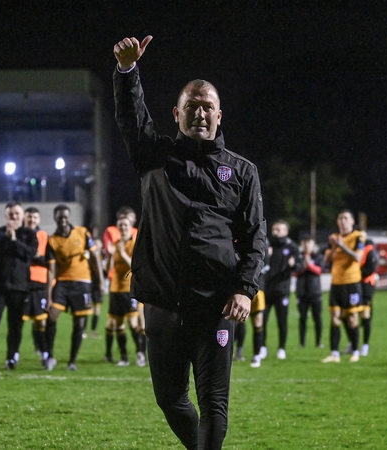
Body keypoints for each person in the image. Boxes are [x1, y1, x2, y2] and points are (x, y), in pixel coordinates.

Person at [114, 35, 266, 449]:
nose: (200, 113)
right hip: (162, 301)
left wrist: (245, 288)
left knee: (214, 403)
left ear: (219, 115)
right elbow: (131, 118)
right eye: (191, 106)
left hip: (217, 302)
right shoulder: (155, 157)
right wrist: (128, 72)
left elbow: (255, 237)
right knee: (170, 399)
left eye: (207, 107)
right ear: (177, 113)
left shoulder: (242, 172)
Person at [0, 202, 37, 371]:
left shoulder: (29, 234)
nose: (14, 217)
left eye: (17, 214)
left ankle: (11, 358)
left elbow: (29, 254)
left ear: (22, 215)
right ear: (6, 215)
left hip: (20, 286)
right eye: (11, 214)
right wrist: (0, 231)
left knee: (15, 325)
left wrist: (14, 239)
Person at [44, 204, 104, 371]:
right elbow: (51, 270)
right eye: (59, 217)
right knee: (52, 316)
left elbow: (95, 257)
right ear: (55, 218)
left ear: (68, 217)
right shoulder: (52, 240)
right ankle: (49, 356)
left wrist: (100, 282)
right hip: (62, 283)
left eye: (65, 217)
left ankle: (72, 361)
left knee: (79, 324)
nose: (63, 220)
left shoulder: (82, 233)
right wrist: (49, 295)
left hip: (82, 283)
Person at [321, 210, 365, 364]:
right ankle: (334, 353)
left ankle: (355, 351)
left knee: (352, 319)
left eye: (346, 218)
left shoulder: (358, 236)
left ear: (352, 221)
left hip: (352, 283)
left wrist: (342, 246)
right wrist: (334, 246)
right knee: (335, 318)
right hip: (336, 283)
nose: (342, 221)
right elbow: (326, 260)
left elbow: (358, 257)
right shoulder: (334, 238)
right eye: (340, 218)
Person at [104, 215, 146, 367]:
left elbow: (135, 266)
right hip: (116, 289)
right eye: (120, 225)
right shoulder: (115, 244)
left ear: (130, 226)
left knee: (133, 322)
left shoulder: (135, 243)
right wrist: (109, 255)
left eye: (125, 225)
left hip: (130, 289)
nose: (122, 227)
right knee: (118, 324)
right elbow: (107, 268)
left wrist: (121, 253)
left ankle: (140, 353)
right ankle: (124, 357)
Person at [263, 220, 302, 360]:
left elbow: (299, 266)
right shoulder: (267, 245)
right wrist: (266, 255)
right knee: (262, 320)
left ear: (286, 231)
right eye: (274, 229)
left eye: (279, 230)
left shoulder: (292, 247)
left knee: (282, 321)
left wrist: (293, 265)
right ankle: (262, 347)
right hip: (266, 290)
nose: (275, 232)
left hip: (282, 291)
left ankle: (281, 348)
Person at [23, 207, 51, 367]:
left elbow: (48, 260)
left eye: (34, 217)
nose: (32, 220)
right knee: (18, 322)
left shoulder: (44, 236)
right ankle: (13, 357)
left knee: (41, 322)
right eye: (29, 217)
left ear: (38, 219)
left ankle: (44, 353)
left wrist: (35, 258)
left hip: (40, 283)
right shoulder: (20, 234)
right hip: (23, 283)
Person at [295, 237, 324, 348]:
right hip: (301, 293)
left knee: (317, 318)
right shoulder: (298, 256)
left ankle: (318, 342)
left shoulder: (318, 256)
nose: (307, 245)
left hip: (315, 292)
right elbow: (296, 271)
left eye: (309, 242)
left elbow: (319, 270)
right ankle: (302, 343)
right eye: (305, 242)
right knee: (302, 318)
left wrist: (309, 265)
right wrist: (304, 265)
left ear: (313, 243)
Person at [358, 236, 379, 356]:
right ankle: (354, 342)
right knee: (352, 314)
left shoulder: (369, 250)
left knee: (365, 315)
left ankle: (365, 344)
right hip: (356, 284)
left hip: (366, 285)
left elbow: (370, 269)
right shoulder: (358, 248)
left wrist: (356, 273)